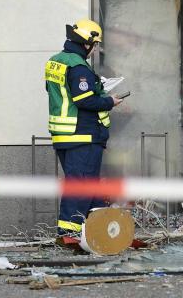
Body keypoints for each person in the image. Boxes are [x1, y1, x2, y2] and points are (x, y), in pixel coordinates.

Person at [45, 18, 124, 236]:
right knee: (80, 186)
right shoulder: (78, 66)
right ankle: (69, 233)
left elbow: (63, 96)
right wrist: (109, 101)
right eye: (95, 44)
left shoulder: (56, 61)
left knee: (89, 185)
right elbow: (84, 100)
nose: (95, 49)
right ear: (86, 43)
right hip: (83, 135)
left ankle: (98, 230)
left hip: (64, 136)